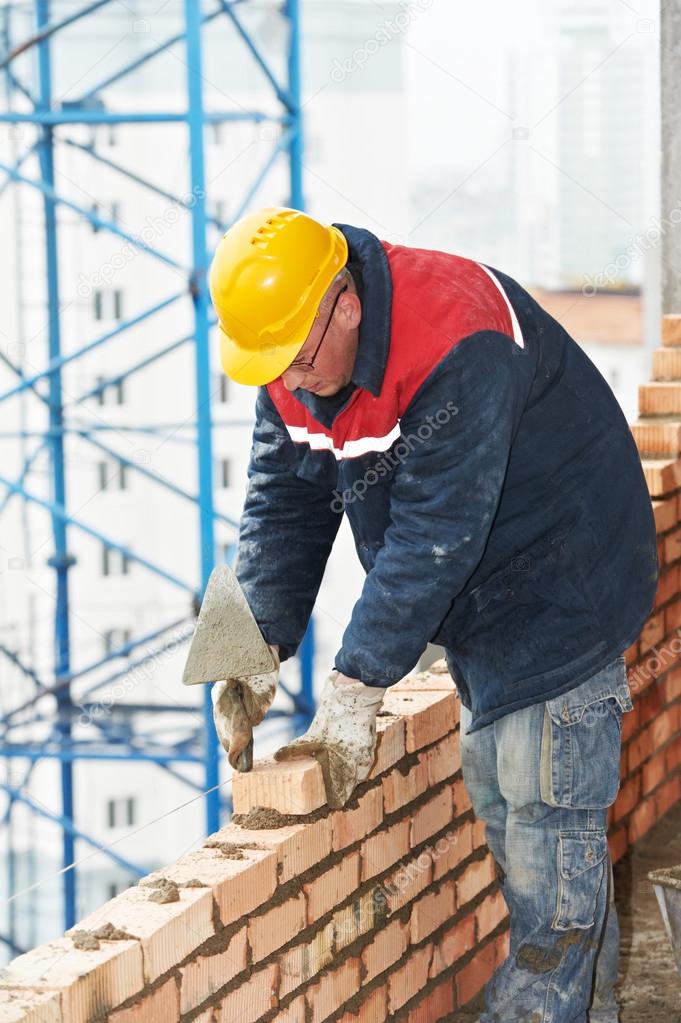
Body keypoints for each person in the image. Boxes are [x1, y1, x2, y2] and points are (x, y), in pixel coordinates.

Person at [207, 205, 658, 1022]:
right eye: (272, 367)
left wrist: (353, 691)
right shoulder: (293, 357)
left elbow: (431, 537)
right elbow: (283, 504)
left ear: (342, 302)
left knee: (549, 861)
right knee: (541, 851)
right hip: (482, 606)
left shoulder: (454, 337)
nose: (292, 382)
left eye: (298, 359)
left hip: (563, 589)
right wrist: (254, 644)